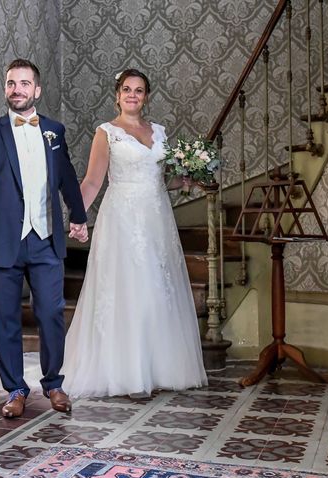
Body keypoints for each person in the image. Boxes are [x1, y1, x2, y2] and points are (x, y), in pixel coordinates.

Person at [61, 68, 208, 398]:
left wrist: (183, 181)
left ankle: (156, 368)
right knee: (128, 289)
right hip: (122, 220)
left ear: (146, 97)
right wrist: (77, 216)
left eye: (138, 90)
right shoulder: (107, 133)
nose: (132, 95)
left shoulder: (159, 131)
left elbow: (158, 178)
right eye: (126, 89)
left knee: (156, 290)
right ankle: (126, 371)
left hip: (156, 218)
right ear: (117, 94)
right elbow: (94, 181)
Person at [0, 58, 88, 418]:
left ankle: (53, 383)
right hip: (2, 241)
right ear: (5, 88)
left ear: (37, 90)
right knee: (5, 320)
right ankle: (15, 388)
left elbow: (66, 177)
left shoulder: (54, 132)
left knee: (50, 314)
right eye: (11, 83)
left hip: (45, 240)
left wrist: (78, 217)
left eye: (25, 83)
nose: (17, 89)